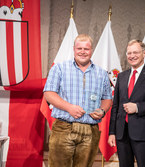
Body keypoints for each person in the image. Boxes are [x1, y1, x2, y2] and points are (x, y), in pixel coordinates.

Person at [43, 34, 112, 167]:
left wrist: (102, 111)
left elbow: (107, 98)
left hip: (90, 130)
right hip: (63, 127)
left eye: (86, 49)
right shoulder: (59, 68)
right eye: (79, 48)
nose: (82, 52)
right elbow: (49, 94)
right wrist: (69, 108)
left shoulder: (101, 73)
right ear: (73, 49)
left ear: (91, 50)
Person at [108, 39, 145, 167]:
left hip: (143, 134)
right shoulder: (122, 76)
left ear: (144, 53)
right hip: (121, 134)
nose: (132, 56)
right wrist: (112, 132)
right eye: (129, 53)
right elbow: (116, 106)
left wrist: (138, 107)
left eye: (135, 52)